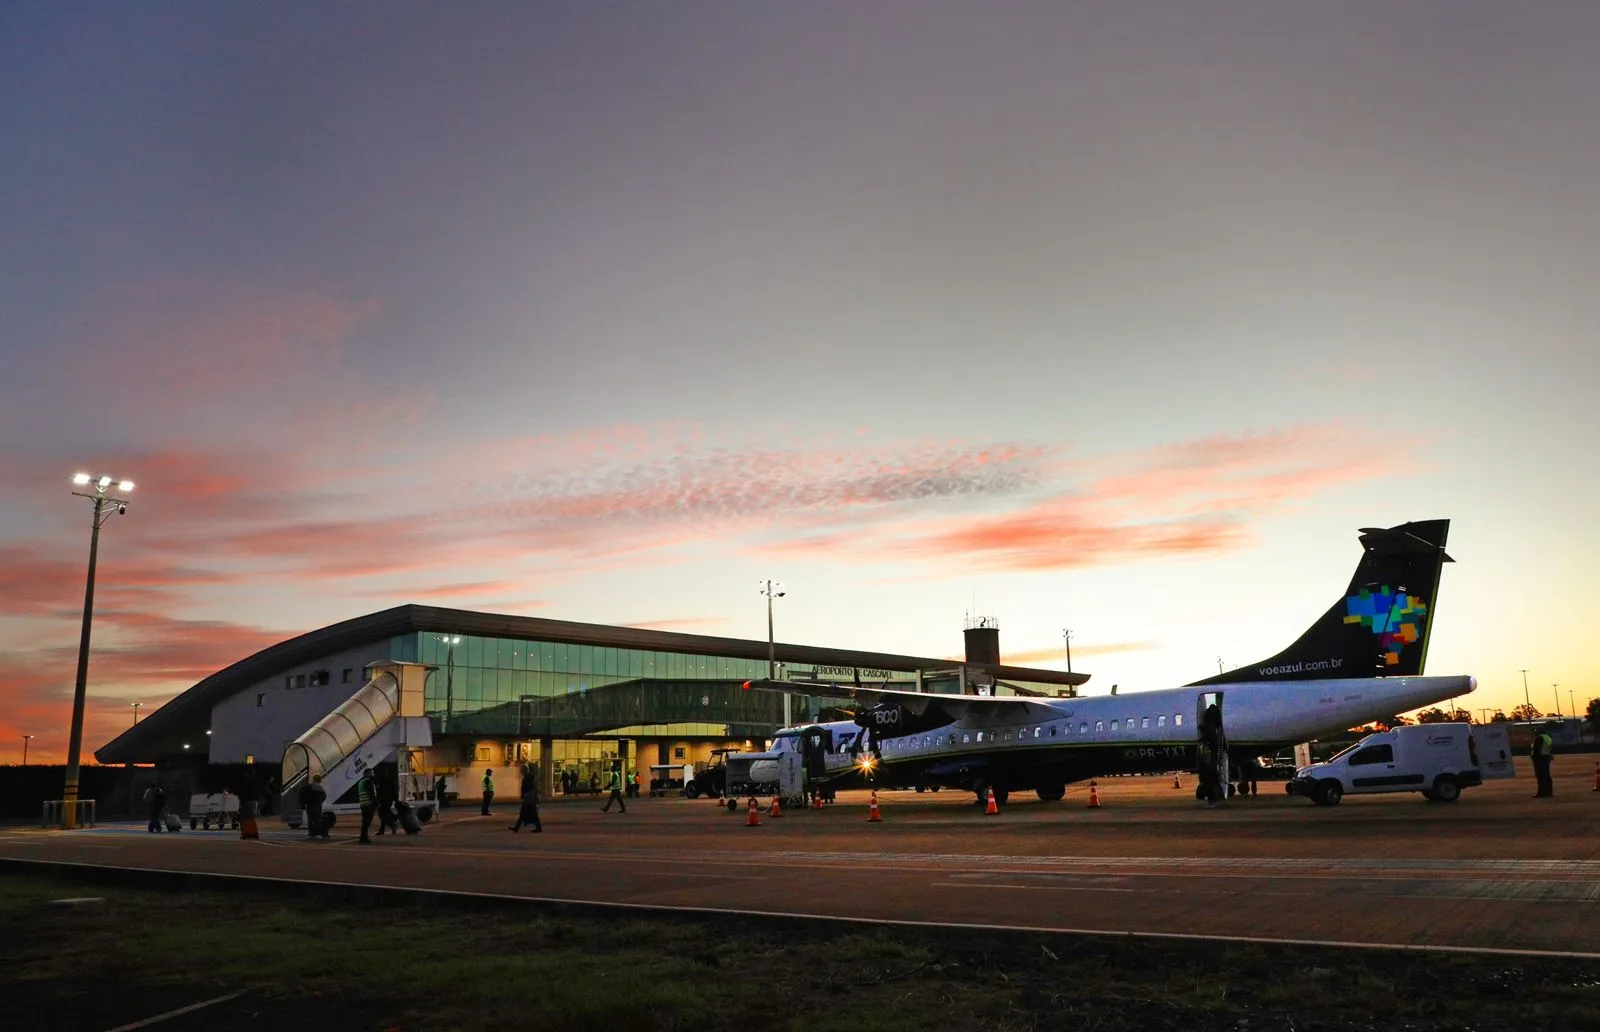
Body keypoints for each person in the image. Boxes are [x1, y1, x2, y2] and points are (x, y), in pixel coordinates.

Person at [510, 764, 542, 833]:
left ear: (525, 770)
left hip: (530, 798)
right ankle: (517, 828)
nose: (521, 773)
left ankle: (517, 828)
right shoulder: (527, 777)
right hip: (528, 797)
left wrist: (535, 797)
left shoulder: (531, 777)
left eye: (522, 771)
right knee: (525, 813)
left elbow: (535, 787)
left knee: (529, 813)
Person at [1531, 722, 1557, 798]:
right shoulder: (1548, 738)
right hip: (1546, 757)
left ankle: (1541, 793)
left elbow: (1537, 749)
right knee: (1547, 776)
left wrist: (1534, 758)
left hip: (1540, 758)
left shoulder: (1539, 738)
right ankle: (1548, 792)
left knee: (1540, 776)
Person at [300, 774, 328, 840]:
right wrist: (320, 802)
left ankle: (311, 834)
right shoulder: (319, 787)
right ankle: (317, 833)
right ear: (319, 780)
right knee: (317, 820)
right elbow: (324, 796)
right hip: (317, 806)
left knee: (310, 820)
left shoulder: (308, 786)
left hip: (309, 806)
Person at [356, 769, 377, 844]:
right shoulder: (367, 781)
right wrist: (375, 804)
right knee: (367, 822)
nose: (373, 774)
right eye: (372, 773)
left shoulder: (360, 782)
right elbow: (371, 794)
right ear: (368, 773)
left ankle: (363, 837)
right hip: (368, 804)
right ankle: (364, 838)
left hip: (363, 804)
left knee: (365, 822)